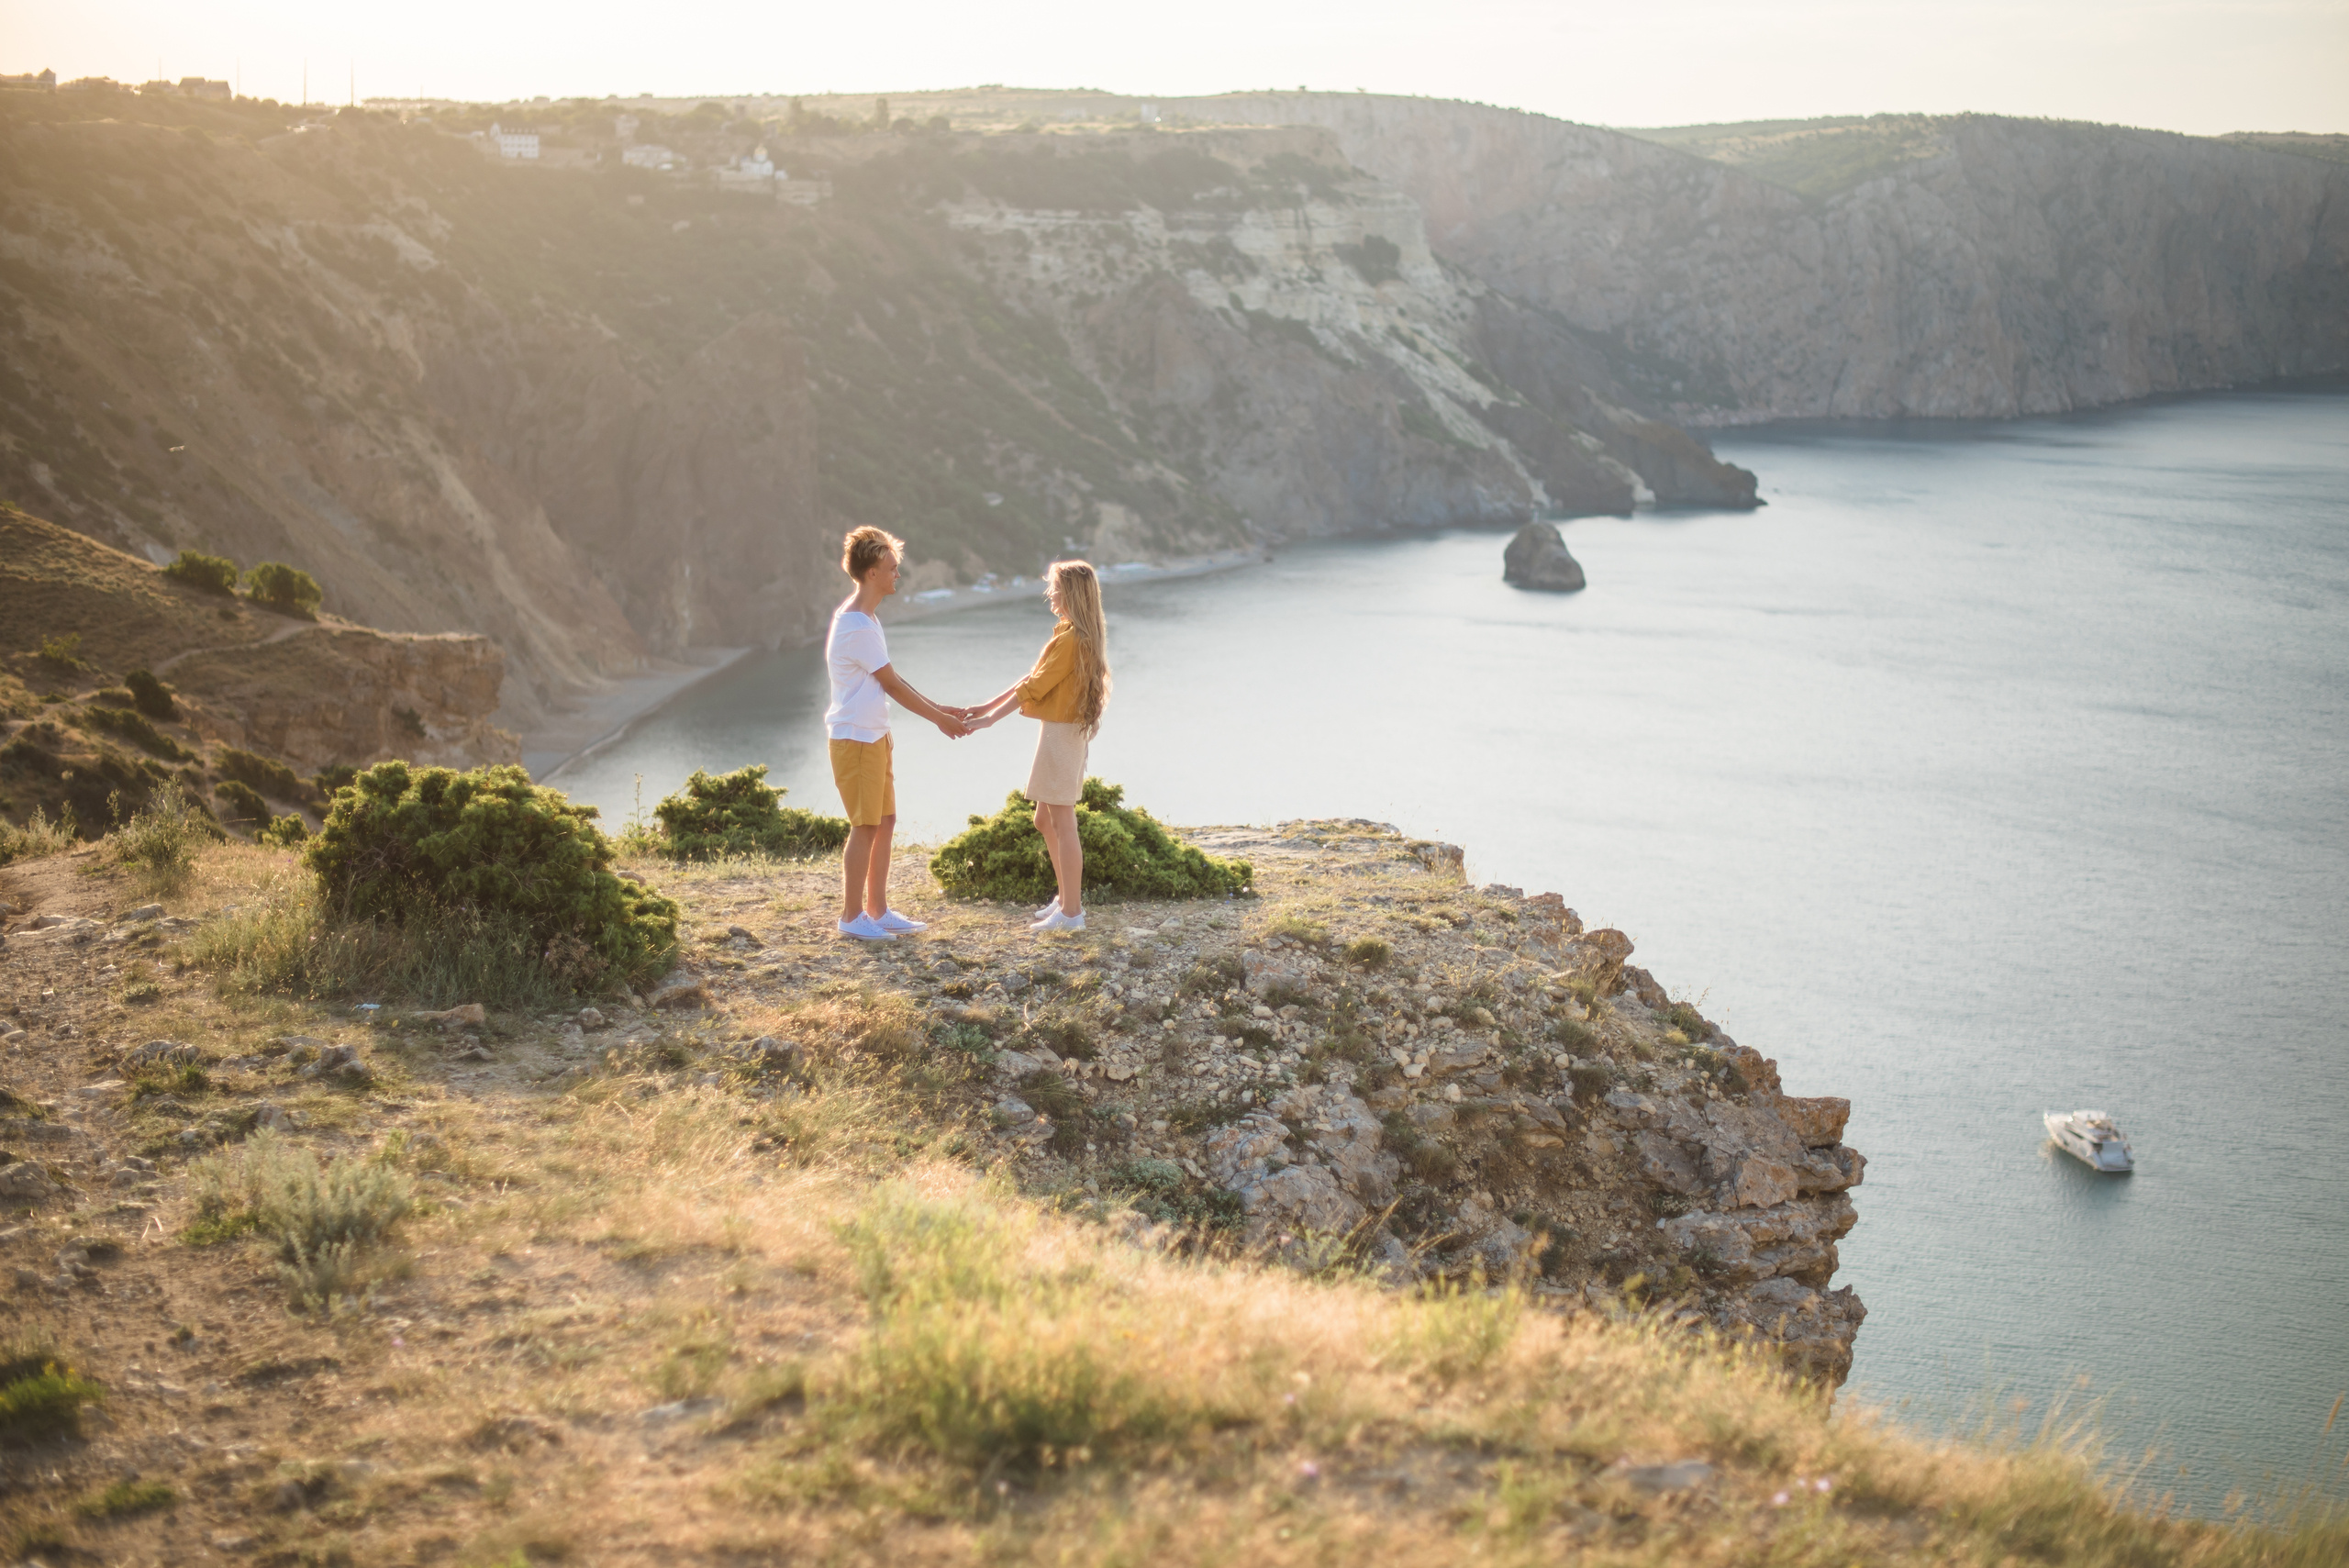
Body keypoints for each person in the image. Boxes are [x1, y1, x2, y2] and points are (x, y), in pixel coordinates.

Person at [824, 526, 969, 940]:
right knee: (865, 825)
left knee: (884, 821)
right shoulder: (856, 625)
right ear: (871, 573)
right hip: (855, 739)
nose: (896, 576)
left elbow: (890, 677)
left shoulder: (866, 618)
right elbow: (892, 686)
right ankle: (852, 917)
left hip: (873, 735)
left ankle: (878, 909)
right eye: (891, 568)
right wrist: (938, 719)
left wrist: (940, 707)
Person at [963, 560, 1111, 933]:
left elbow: (1034, 688)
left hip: (1062, 734)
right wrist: (986, 705)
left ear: (1071, 593)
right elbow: (1031, 679)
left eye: (1055, 587)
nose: (1051, 593)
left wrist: (989, 720)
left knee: (1062, 821)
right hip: (1059, 731)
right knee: (1044, 819)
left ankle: (1073, 913)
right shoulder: (1069, 634)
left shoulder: (1073, 639)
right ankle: (1065, 901)